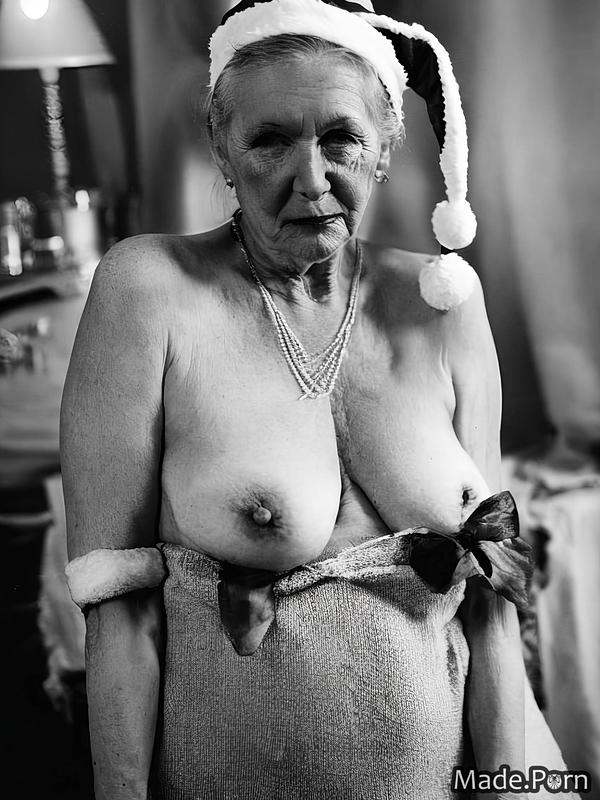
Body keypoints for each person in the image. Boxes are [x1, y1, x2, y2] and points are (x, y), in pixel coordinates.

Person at [60, 2, 577, 799]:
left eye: (340, 138)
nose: (311, 178)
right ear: (221, 150)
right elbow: (117, 608)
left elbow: (491, 601)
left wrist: (510, 787)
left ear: (385, 147)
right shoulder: (147, 291)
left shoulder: (442, 303)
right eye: (270, 140)